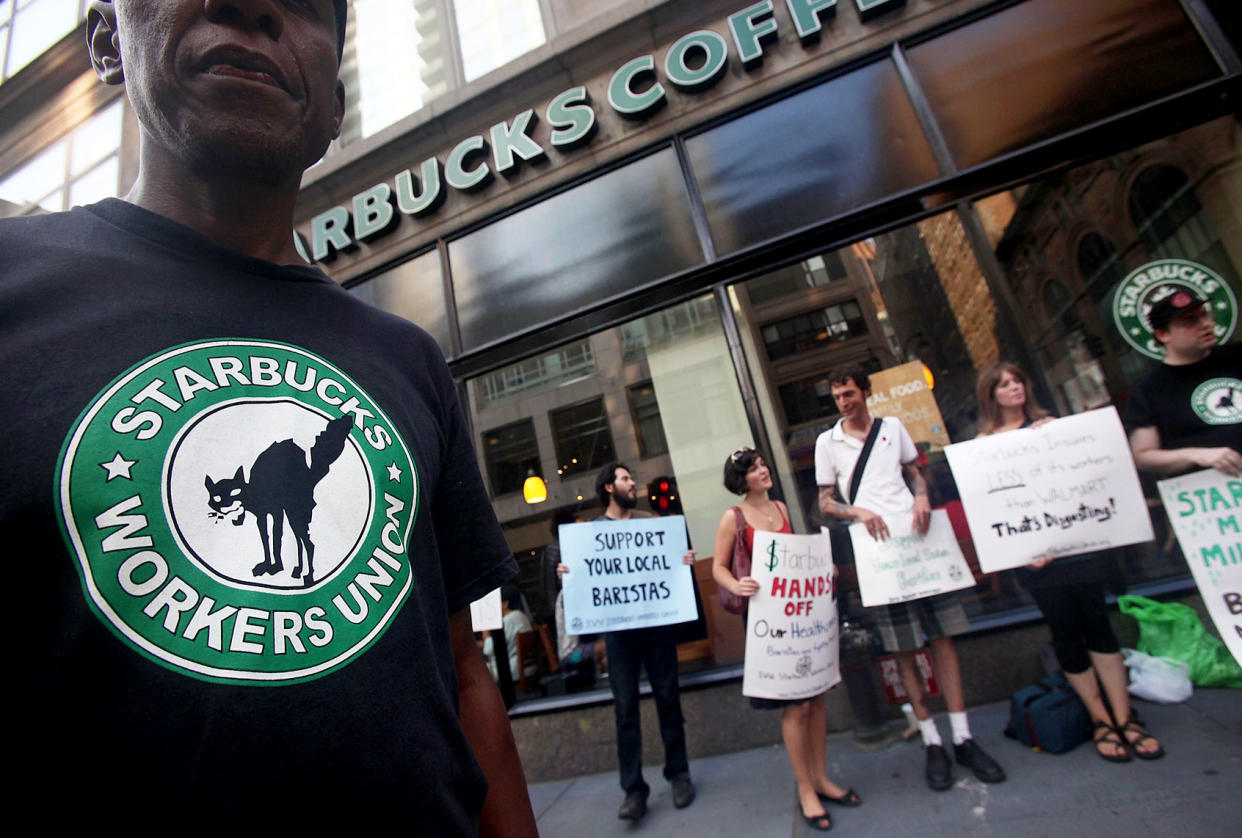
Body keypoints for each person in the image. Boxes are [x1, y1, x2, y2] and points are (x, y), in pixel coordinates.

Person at [0, 1, 535, 832]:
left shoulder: (408, 357)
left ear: (332, 107)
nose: (248, 4)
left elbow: (465, 673)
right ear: (108, 40)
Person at [816, 366, 1005, 791]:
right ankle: (932, 740)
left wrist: (921, 495)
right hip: (879, 550)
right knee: (903, 649)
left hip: (920, 541)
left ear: (866, 392)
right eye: (837, 397)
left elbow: (915, 470)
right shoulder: (827, 443)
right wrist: (858, 511)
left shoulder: (892, 427)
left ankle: (963, 736)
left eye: (850, 394)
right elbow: (825, 502)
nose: (844, 402)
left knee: (944, 638)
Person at [977, 362, 1163, 761]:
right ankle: (1100, 719)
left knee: (1098, 623)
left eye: (1018, 381)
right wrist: (1021, 553)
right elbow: (994, 508)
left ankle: (1124, 714)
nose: (1014, 389)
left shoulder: (1051, 427)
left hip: (1078, 546)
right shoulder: (984, 445)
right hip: (1037, 562)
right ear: (990, 395)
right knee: (1065, 631)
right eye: (1004, 385)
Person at [712, 447, 860, 832]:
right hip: (767, 621)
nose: (763, 470)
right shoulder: (734, 518)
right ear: (741, 479)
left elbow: (795, 555)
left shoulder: (780, 508)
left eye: (763, 464)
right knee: (796, 707)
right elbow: (718, 567)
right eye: (754, 467)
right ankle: (805, 786)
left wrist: (820, 568)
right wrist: (737, 584)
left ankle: (822, 776)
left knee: (816, 696)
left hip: (800, 617)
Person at [558, 462, 696, 820]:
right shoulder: (590, 533)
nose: (632, 482)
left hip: (656, 627)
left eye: (630, 478)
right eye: (625, 478)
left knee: (668, 699)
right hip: (618, 633)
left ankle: (678, 774)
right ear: (608, 487)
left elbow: (669, 563)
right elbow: (586, 577)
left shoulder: (650, 523)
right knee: (625, 710)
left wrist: (682, 560)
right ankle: (634, 790)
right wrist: (568, 573)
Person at [1127, 289, 1242, 477]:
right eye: (1190, 321)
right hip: (1214, 495)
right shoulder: (1149, 390)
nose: (1206, 325)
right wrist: (1195, 454)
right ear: (1163, 335)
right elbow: (1143, 456)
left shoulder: (1237, 357)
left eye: (1204, 315)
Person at [484, 584, 537, 682]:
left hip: (513, 669)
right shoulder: (521, 616)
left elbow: (488, 650)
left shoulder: (509, 619)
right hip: (528, 665)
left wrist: (486, 631)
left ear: (505, 604)